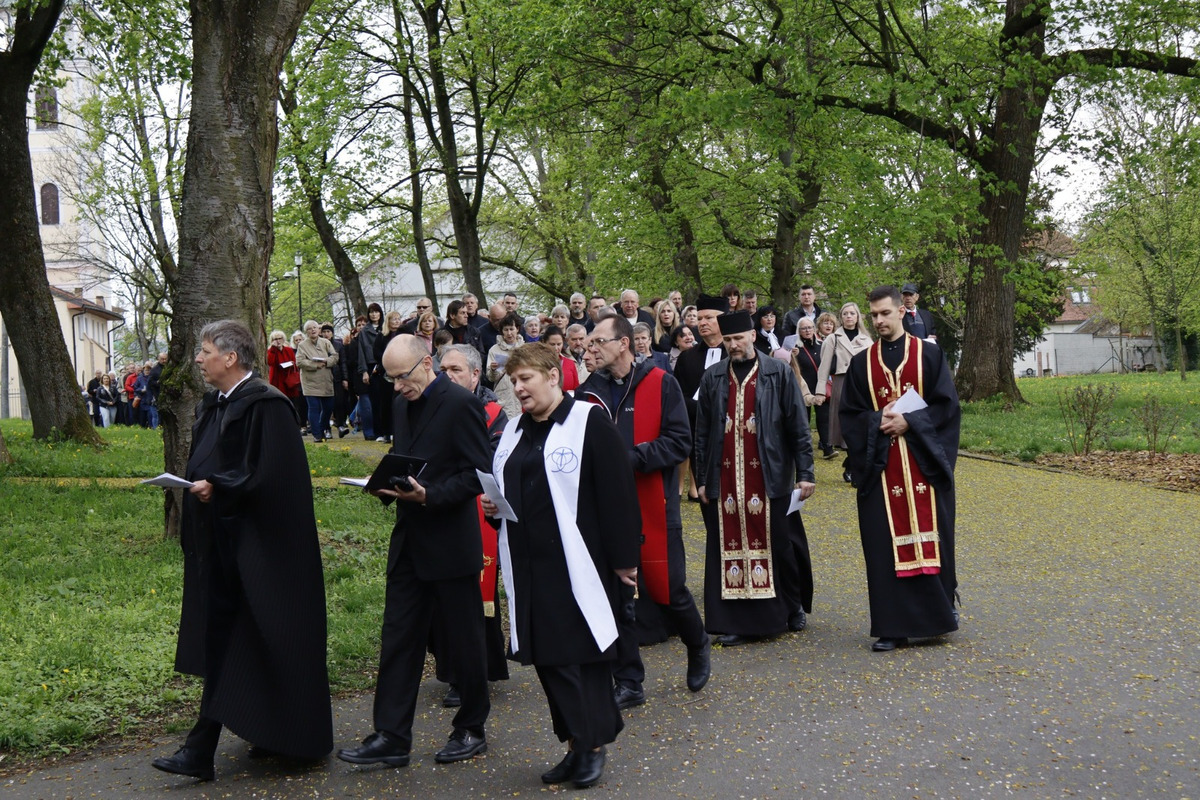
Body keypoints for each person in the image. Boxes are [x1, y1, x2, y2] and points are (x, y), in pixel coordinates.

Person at [152, 320, 331, 781]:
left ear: (230, 358)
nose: (198, 358)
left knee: (259, 636)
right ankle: (263, 734)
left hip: (265, 552)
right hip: (223, 544)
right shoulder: (214, 405)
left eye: (205, 350)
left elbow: (273, 476)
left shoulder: (268, 406)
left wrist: (221, 487)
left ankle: (205, 748)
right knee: (232, 639)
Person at [482, 343, 641, 789]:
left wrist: (626, 559)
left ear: (553, 375)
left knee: (584, 657)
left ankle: (592, 745)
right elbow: (511, 486)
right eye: (513, 381)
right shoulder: (514, 430)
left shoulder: (589, 423)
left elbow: (617, 495)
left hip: (580, 562)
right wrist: (496, 506)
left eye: (525, 379)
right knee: (549, 659)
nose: (518, 388)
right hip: (531, 564)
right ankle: (572, 741)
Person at [338, 335, 492, 769]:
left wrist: (429, 495)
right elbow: (406, 457)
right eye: (389, 378)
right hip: (409, 541)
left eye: (401, 377)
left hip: (450, 541)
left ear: (428, 364)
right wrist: (387, 482)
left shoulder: (461, 405)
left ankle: (471, 727)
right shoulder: (404, 401)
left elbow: (478, 476)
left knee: (463, 642)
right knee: (399, 639)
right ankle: (391, 736)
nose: (396, 386)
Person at [578, 315, 711, 712]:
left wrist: (630, 458)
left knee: (668, 589)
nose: (591, 349)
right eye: (588, 343)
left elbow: (678, 441)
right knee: (617, 596)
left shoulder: (660, 382)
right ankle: (629, 680)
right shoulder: (587, 393)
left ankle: (697, 642)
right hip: (607, 509)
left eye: (598, 341)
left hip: (655, 503)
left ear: (624, 344)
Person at [839, 286, 960, 652]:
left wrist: (910, 422)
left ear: (902, 313)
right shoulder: (861, 364)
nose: (879, 321)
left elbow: (948, 408)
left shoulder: (930, 355)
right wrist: (878, 421)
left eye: (885, 314)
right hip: (880, 469)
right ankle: (892, 626)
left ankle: (939, 615)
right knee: (882, 546)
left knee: (935, 538)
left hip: (924, 467)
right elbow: (849, 417)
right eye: (873, 315)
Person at [693, 310, 816, 646]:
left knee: (779, 545)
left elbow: (797, 426)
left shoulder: (777, 372)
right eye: (728, 340)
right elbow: (701, 433)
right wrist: (701, 478)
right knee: (729, 547)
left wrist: (805, 472)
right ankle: (738, 621)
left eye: (739, 338)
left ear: (752, 335)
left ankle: (791, 608)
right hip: (727, 480)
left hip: (769, 475)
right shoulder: (713, 377)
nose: (734, 345)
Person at [432, 344, 510, 706]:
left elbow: (496, 462)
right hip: (435, 510)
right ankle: (452, 670)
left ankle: (473, 673)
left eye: (455, 370)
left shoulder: (495, 414)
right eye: (442, 368)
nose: (446, 375)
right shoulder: (429, 405)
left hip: (476, 511)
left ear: (475, 375)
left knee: (473, 600)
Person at [815, 302, 873, 484]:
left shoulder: (866, 339)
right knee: (846, 426)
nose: (849, 317)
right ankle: (853, 467)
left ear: (858, 317)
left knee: (862, 426)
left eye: (852, 313)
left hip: (862, 386)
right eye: (845, 313)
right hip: (842, 383)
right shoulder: (834, 338)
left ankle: (852, 463)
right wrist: (820, 391)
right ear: (841, 317)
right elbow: (823, 367)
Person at [792, 318, 835, 459]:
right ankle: (803, 449)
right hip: (803, 387)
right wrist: (791, 355)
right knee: (803, 419)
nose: (808, 330)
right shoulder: (795, 347)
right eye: (804, 328)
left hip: (819, 387)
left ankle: (827, 447)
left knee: (823, 417)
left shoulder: (821, 345)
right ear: (799, 331)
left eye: (810, 327)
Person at [297, 320, 339, 443]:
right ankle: (317, 434)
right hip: (310, 381)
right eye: (310, 328)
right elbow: (299, 362)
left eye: (315, 327)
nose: (313, 330)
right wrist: (315, 365)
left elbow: (335, 356)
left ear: (318, 330)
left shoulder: (326, 342)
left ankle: (321, 428)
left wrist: (326, 361)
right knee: (314, 408)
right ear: (307, 332)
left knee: (328, 407)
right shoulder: (302, 345)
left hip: (326, 380)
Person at [357, 303, 384, 440]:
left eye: (376, 312)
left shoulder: (385, 328)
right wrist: (364, 371)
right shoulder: (364, 332)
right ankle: (377, 431)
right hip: (371, 366)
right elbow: (361, 352)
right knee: (375, 400)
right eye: (371, 312)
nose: (374, 314)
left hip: (385, 364)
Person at [267, 330, 304, 425]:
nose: (278, 341)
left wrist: (290, 364)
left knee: (292, 401)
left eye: (280, 338)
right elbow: (270, 362)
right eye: (275, 339)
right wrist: (274, 349)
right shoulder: (270, 350)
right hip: (277, 379)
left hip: (289, 378)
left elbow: (294, 361)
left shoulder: (288, 350)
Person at [486, 313, 524, 386]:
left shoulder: (525, 348)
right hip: (502, 391)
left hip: (522, 388)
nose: (509, 333)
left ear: (517, 329)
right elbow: (491, 378)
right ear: (502, 331)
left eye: (511, 329)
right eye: (506, 330)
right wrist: (493, 370)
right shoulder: (494, 350)